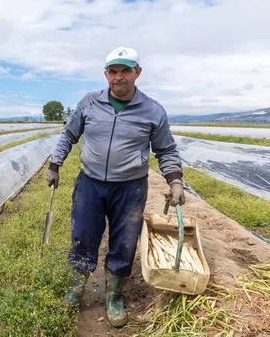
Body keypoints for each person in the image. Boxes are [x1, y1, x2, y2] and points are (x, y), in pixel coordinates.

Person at [46, 47, 185, 327]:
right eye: (113, 71)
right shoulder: (89, 102)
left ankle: (114, 296)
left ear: (137, 72)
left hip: (130, 189)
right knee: (82, 235)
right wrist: (54, 163)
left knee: (123, 241)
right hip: (90, 184)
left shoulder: (153, 110)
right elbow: (69, 135)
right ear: (106, 74)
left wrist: (176, 180)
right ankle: (76, 287)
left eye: (125, 70)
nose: (119, 77)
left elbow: (166, 150)